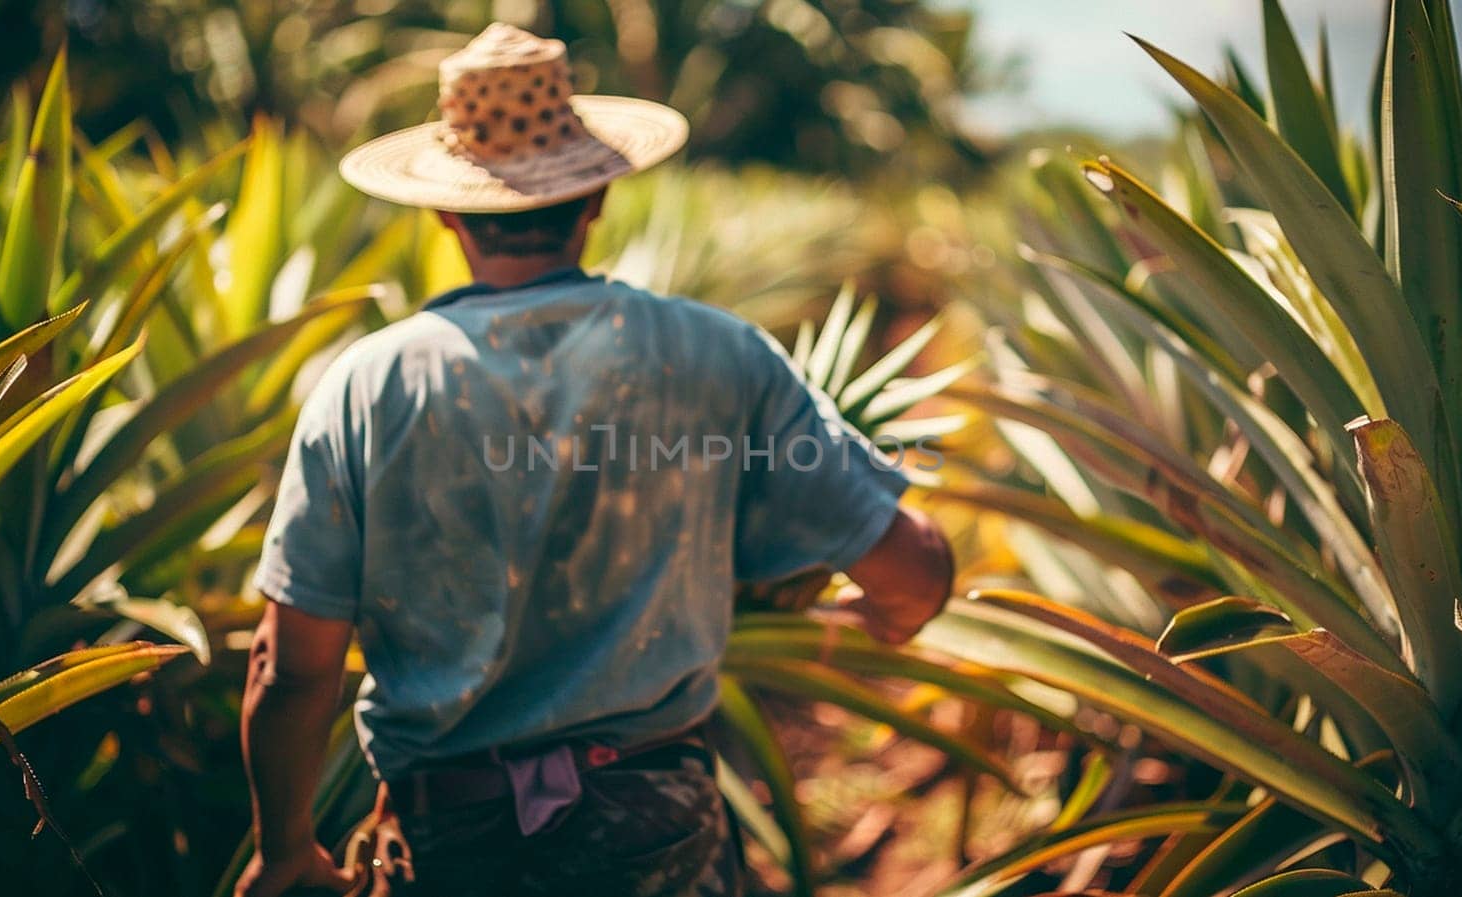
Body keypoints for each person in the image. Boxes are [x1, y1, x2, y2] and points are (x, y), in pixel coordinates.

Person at [235, 22, 954, 897]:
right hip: (658, 836)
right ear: (598, 196)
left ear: (445, 210)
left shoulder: (366, 386)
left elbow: (291, 663)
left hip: (446, 845)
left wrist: (285, 848)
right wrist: (896, 601)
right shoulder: (720, 355)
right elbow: (909, 571)